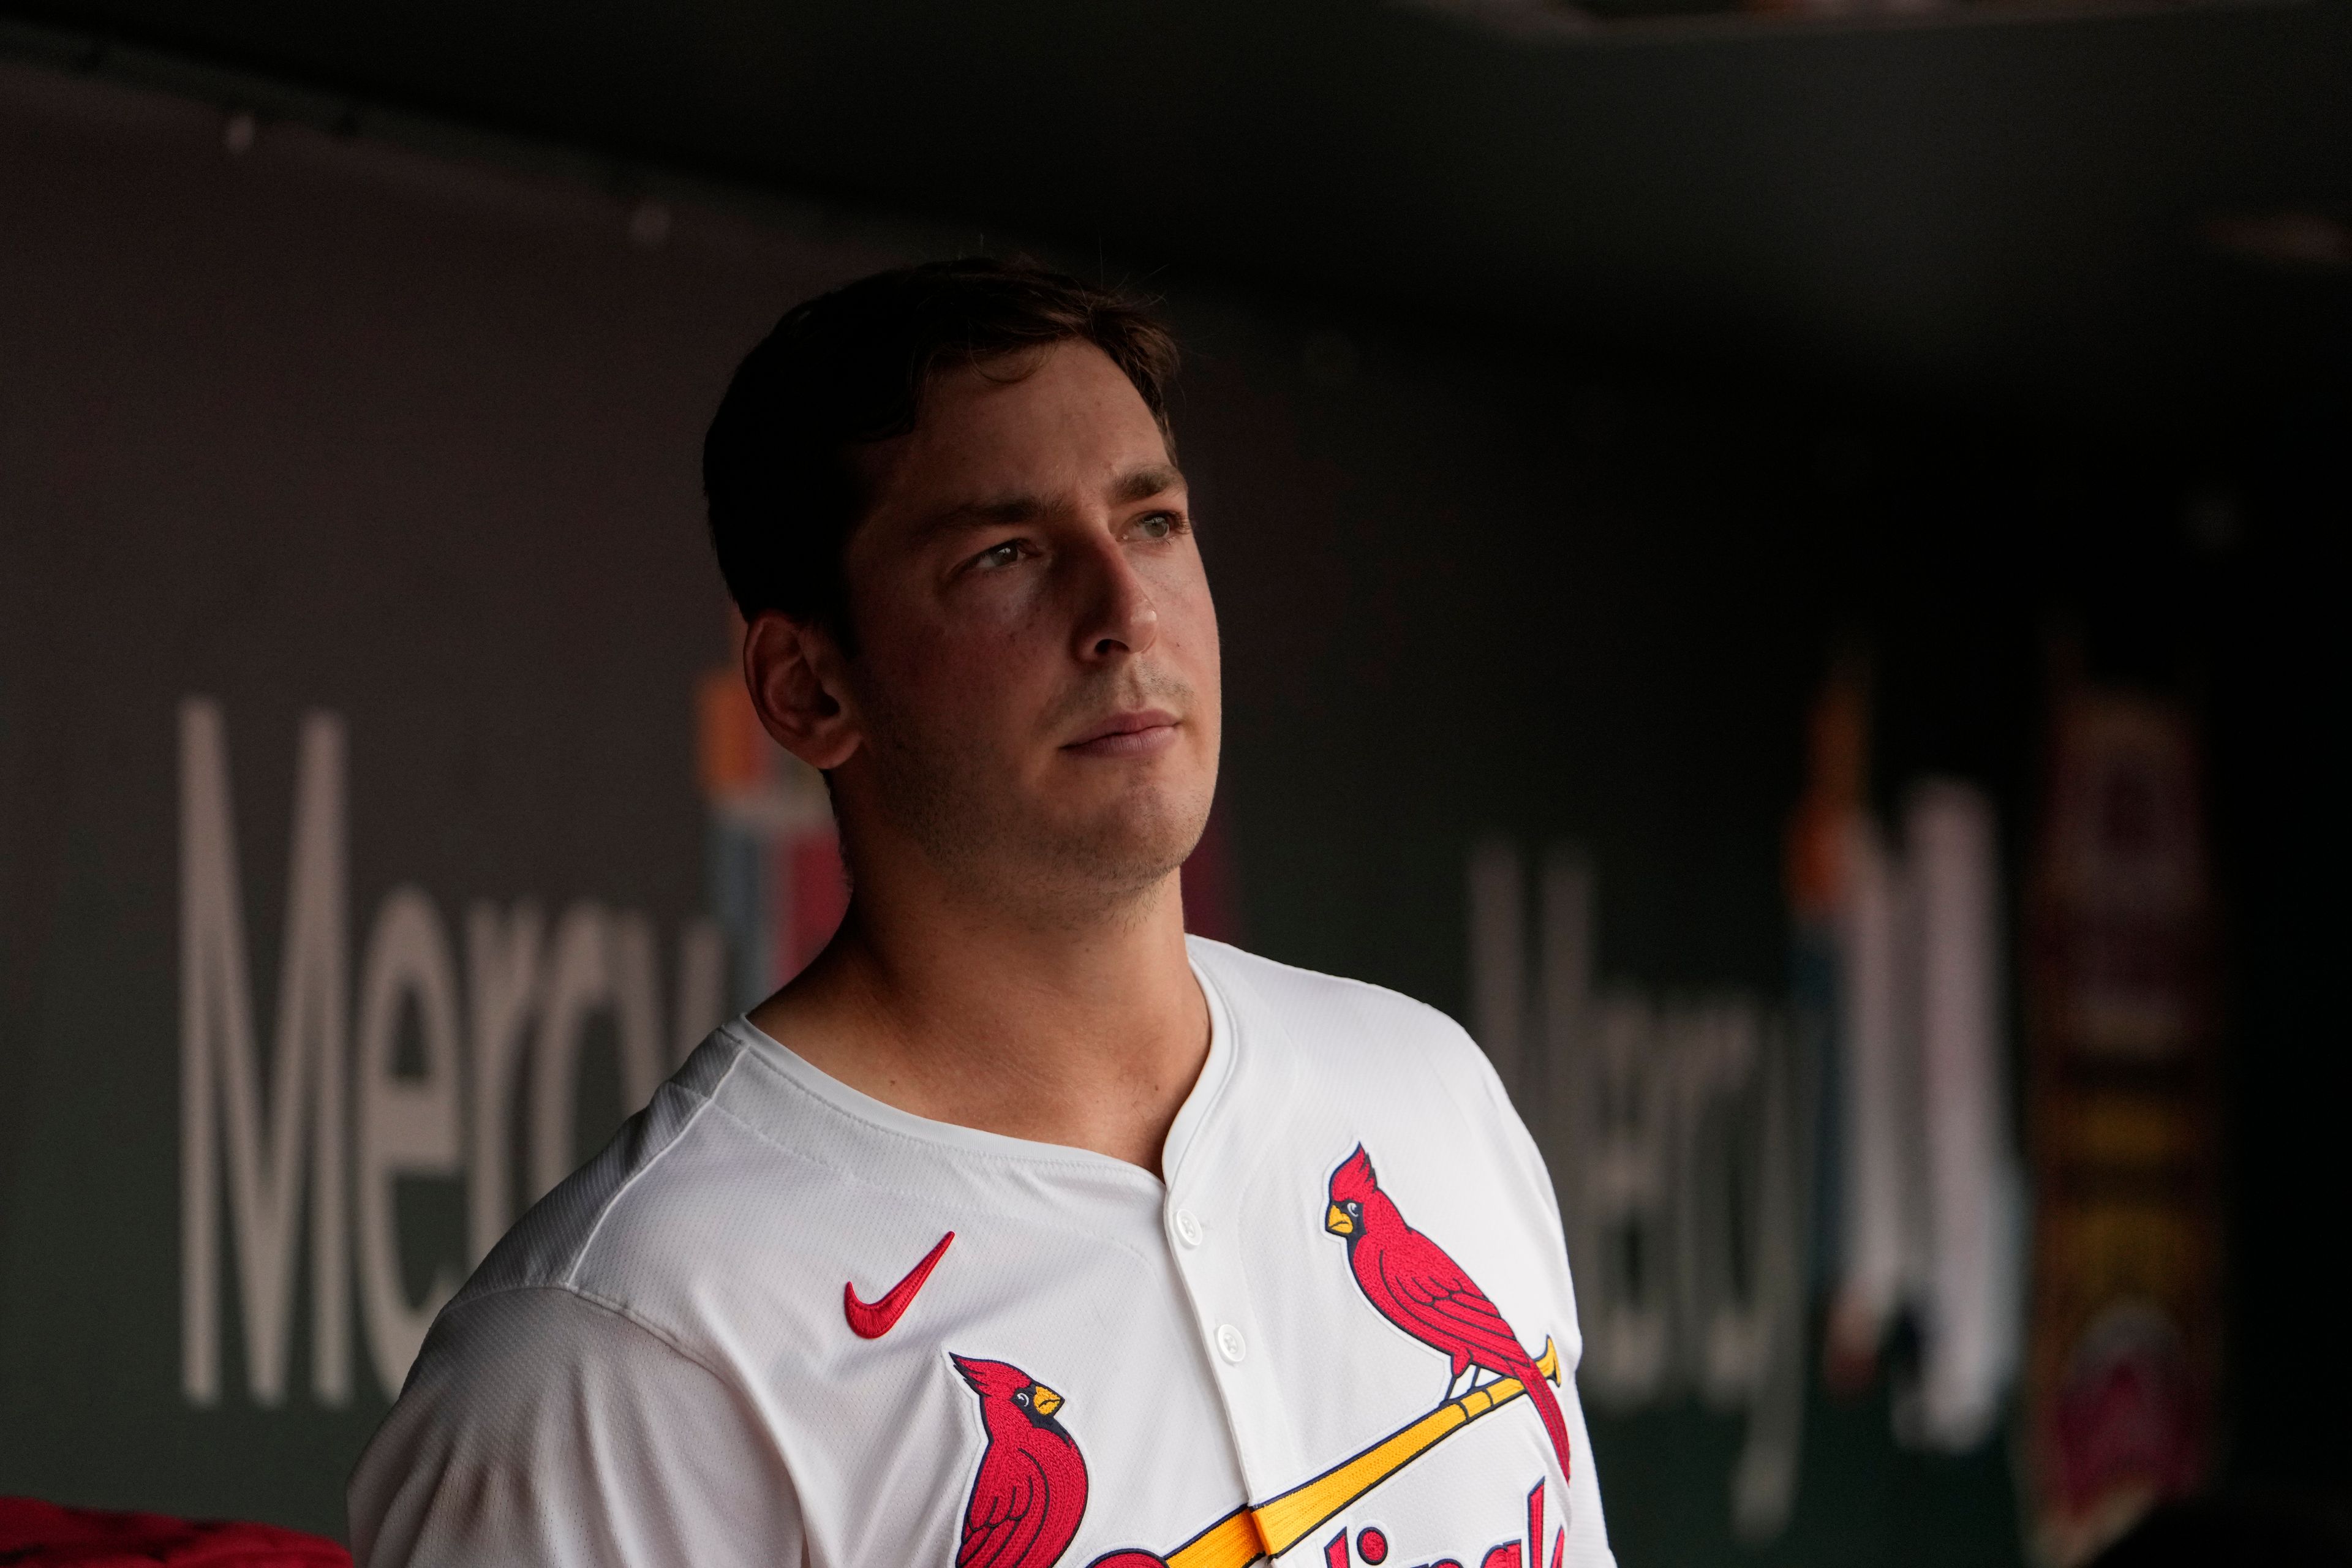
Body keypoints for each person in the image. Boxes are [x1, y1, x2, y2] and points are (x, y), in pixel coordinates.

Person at [347, 258, 1616, 1568]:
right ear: (807, 688)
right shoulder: (632, 1339)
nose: (1124, 613)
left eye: (1153, 523)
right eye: (1005, 554)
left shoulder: (1424, 1094)